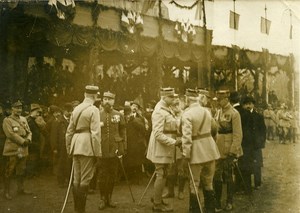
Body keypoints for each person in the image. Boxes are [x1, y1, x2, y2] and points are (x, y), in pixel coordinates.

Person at [181, 89, 220, 213]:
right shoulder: (207, 111)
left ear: (187, 99)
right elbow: (215, 129)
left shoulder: (187, 114)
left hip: (196, 152)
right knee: (209, 183)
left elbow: (186, 138)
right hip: (210, 150)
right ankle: (210, 210)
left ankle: (195, 211)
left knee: (194, 184)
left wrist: (186, 154)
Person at [66, 85, 101, 213]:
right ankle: (81, 210)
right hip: (87, 146)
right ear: (94, 96)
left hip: (75, 144)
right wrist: (98, 153)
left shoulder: (76, 109)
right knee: (85, 180)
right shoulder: (94, 110)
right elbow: (96, 134)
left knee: (77, 179)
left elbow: (69, 132)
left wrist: (69, 148)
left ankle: (77, 210)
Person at [146, 87, 181, 212]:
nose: (173, 99)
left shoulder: (167, 109)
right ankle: (157, 205)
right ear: (164, 97)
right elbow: (158, 134)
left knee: (163, 174)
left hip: (165, 148)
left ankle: (158, 199)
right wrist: (174, 142)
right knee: (161, 174)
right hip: (160, 148)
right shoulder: (159, 111)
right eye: (171, 97)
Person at [214, 90, 243, 212]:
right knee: (216, 175)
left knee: (228, 176)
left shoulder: (234, 113)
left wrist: (232, 152)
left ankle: (229, 201)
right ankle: (217, 202)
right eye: (218, 100)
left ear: (226, 99)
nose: (218, 102)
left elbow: (238, 134)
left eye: (220, 99)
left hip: (228, 147)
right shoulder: (218, 112)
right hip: (217, 147)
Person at [97, 91, 126, 210]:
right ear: (102, 101)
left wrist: (123, 147)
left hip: (115, 149)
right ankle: (103, 199)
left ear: (113, 101)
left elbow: (123, 131)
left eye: (110, 99)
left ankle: (109, 197)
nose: (107, 101)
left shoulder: (119, 115)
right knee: (102, 175)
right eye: (105, 99)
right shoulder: (97, 115)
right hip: (102, 149)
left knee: (112, 175)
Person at [2, 100, 32, 200]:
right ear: (12, 109)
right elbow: (10, 134)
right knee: (9, 170)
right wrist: (22, 141)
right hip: (13, 148)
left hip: (23, 149)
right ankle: (6, 192)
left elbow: (29, 131)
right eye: (17, 108)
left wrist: (28, 139)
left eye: (20, 108)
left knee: (21, 169)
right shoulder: (7, 120)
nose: (19, 110)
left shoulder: (23, 119)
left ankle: (20, 189)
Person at [162, 94, 187, 200]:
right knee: (170, 169)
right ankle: (170, 191)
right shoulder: (168, 114)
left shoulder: (185, 115)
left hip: (182, 142)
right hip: (171, 142)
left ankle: (180, 191)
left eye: (178, 103)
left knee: (181, 169)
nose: (176, 105)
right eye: (174, 104)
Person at [241, 96, 266, 190]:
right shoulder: (241, 116)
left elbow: (263, 130)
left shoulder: (258, 116)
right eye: (246, 104)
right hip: (245, 144)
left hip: (256, 144)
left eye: (250, 104)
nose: (248, 106)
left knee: (257, 164)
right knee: (246, 164)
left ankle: (257, 183)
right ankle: (246, 185)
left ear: (253, 104)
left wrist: (261, 142)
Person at [124, 101, 147, 184]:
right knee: (129, 160)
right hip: (129, 141)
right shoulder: (125, 116)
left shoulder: (140, 118)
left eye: (136, 106)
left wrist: (133, 120)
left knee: (138, 161)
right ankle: (131, 178)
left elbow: (143, 128)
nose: (134, 107)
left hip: (137, 142)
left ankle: (139, 178)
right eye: (133, 106)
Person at [51, 103, 73, 187]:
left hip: (68, 145)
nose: (70, 113)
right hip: (60, 146)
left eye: (71, 111)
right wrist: (54, 147)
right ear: (64, 111)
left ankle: (68, 180)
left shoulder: (71, 120)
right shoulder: (58, 121)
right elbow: (53, 135)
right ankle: (61, 181)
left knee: (68, 163)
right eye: (68, 111)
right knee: (60, 163)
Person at [26, 103, 43, 177]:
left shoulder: (33, 120)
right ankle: (30, 174)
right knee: (31, 158)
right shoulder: (29, 121)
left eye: (39, 112)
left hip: (35, 142)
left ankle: (32, 173)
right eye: (37, 112)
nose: (38, 114)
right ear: (31, 112)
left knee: (34, 158)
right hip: (32, 143)